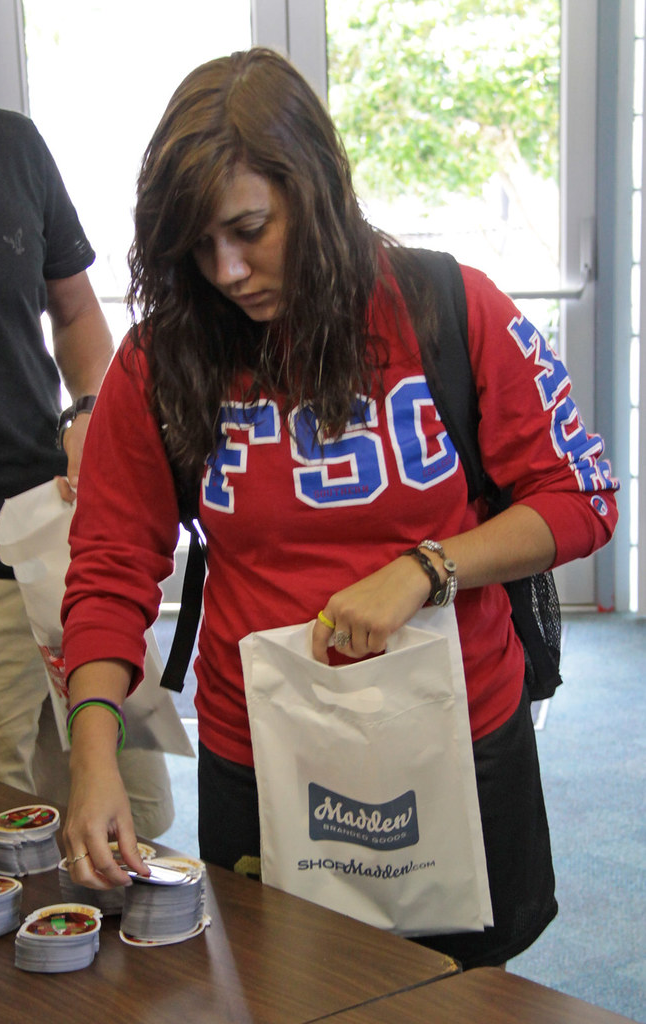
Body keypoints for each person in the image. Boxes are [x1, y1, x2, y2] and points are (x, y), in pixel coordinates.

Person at [60, 48, 619, 968]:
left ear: (315, 190)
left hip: (451, 733)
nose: (228, 271)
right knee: (284, 982)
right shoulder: (163, 359)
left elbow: (580, 497)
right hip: (262, 748)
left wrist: (425, 569)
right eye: (197, 247)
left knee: (460, 989)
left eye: (250, 228)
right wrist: (93, 752)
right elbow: (112, 561)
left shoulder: (447, 308)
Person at [0, 98, 174, 839]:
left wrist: (89, 410)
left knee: (134, 824)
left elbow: (78, 311)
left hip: (58, 532)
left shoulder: (9, 143)